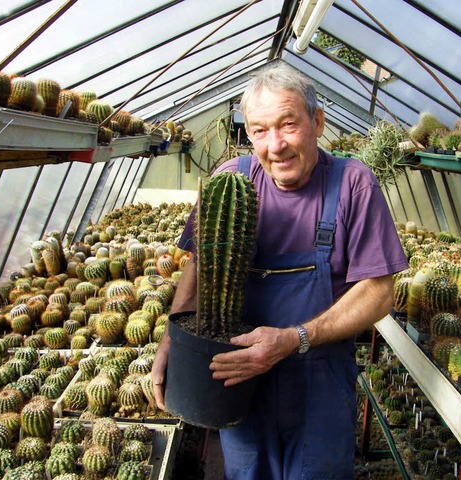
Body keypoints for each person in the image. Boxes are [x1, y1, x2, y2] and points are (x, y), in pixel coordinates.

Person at [151, 62, 409, 480]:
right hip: (238, 383)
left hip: (317, 387)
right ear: (248, 133)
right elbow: (200, 269)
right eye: (259, 130)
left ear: (318, 122)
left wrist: (293, 339)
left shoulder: (352, 184)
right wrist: (171, 344)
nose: (275, 145)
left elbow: (379, 291)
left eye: (288, 124)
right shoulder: (228, 182)